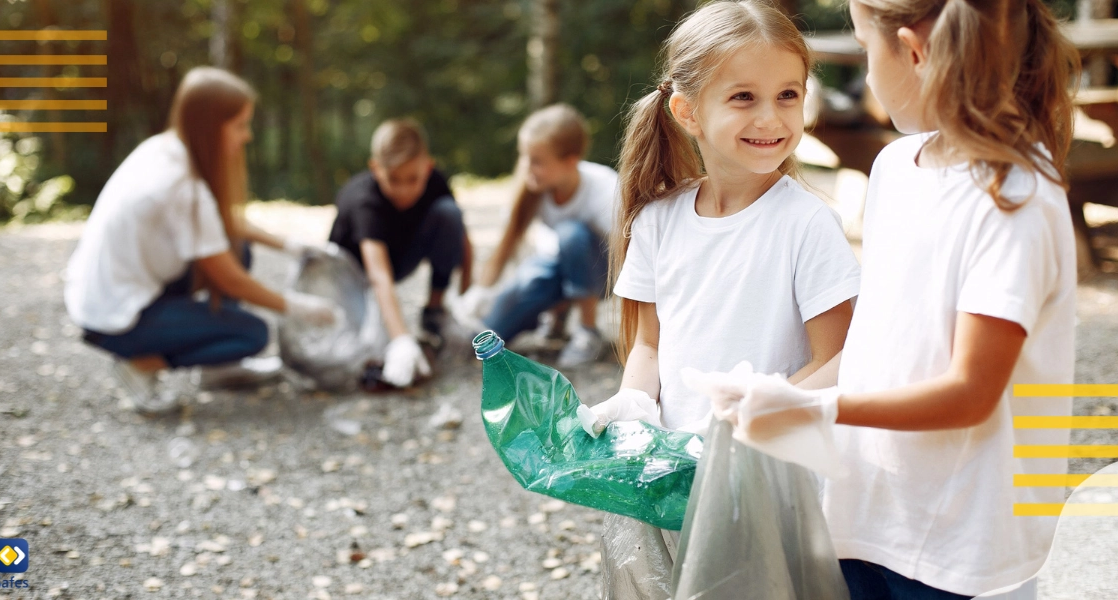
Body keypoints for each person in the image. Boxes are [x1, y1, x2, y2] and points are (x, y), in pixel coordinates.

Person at [693, 0, 1080, 598]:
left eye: (866, 50)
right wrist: (781, 398)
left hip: (964, 549)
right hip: (866, 515)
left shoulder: (1015, 201)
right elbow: (880, 343)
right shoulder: (897, 168)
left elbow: (971, 394)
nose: (867, 76)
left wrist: (821, 412)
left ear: (916, 52)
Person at [584, 2, 861, 597]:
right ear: (688, 112)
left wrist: (751, 417)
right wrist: (634, 401)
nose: (773, 116)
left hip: (771, 478)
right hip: (677, 479)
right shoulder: (657, 222)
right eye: (744, 97)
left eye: (789, 94)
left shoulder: (807, 224)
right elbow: (649, 345)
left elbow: (842, 359)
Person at [65, 67, 338, 414]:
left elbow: (222, 226)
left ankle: (219, 370)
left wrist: (288, 244)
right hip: (117, 317)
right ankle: (140, 364)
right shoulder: (181, 187)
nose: (248, 136)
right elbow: (229, 279)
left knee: (238, 250)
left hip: (106, 293)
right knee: (251, 335)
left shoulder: (163, 148)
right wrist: (299, 307)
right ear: (211, 126)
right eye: (240, 125)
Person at [458, 104, 618, 368]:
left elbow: (634, 252)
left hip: (604, 273)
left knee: (570, 234)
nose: (526, 167)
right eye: (524, 157)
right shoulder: (533, 188)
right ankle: (556, 316)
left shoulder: (603, 189)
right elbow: (507, 244)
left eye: (537, 161)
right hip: (562, 267)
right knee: (492, 328)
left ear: (570, 161)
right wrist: (480, 293)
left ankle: (588, 331)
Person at [327, 119, 471, 387]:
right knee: (365, 348)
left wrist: (467, 295)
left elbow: (462, 238)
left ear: (427, 167)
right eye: (393, 180)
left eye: (412, 180)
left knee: (449, 214)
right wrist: (401, 338)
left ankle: (435, 313)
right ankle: (397, 340)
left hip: (400, 258)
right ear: (375, 169)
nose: (403, 191)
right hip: (354, 272)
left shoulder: (435, 181)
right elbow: (379, 276)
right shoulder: (364, 200)